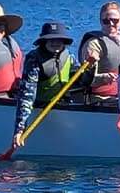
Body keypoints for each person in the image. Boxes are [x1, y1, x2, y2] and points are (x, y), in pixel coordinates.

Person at [11, 20, 74, 150]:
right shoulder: (34, 59)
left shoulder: (69, 57)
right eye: (51, 40)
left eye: (59, 40)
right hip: (40, 105)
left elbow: (80, 79)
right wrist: (20, 128)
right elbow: (26, 95)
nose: (55, 43)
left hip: (62, 103)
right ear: (43, 41)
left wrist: (92, 70)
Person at [75, 0, 120, 105]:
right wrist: (104, 77)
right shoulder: (94, 44)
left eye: (115, 20)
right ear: (101, 21)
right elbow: (86, 79)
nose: (111, 24)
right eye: (106, 21)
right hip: (99, 98)